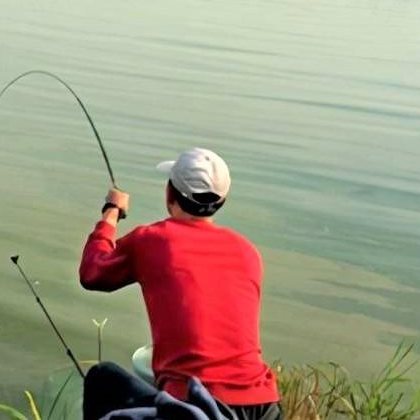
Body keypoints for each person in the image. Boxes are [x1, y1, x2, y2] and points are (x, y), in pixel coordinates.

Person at [78, 148, 282, 420]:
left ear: (169, 194)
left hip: (197, 405)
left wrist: (111, 212)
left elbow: (92, 272)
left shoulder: (153, 240)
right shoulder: (248, 252)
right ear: (222, 200)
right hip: (264, 406)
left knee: (102, 378)